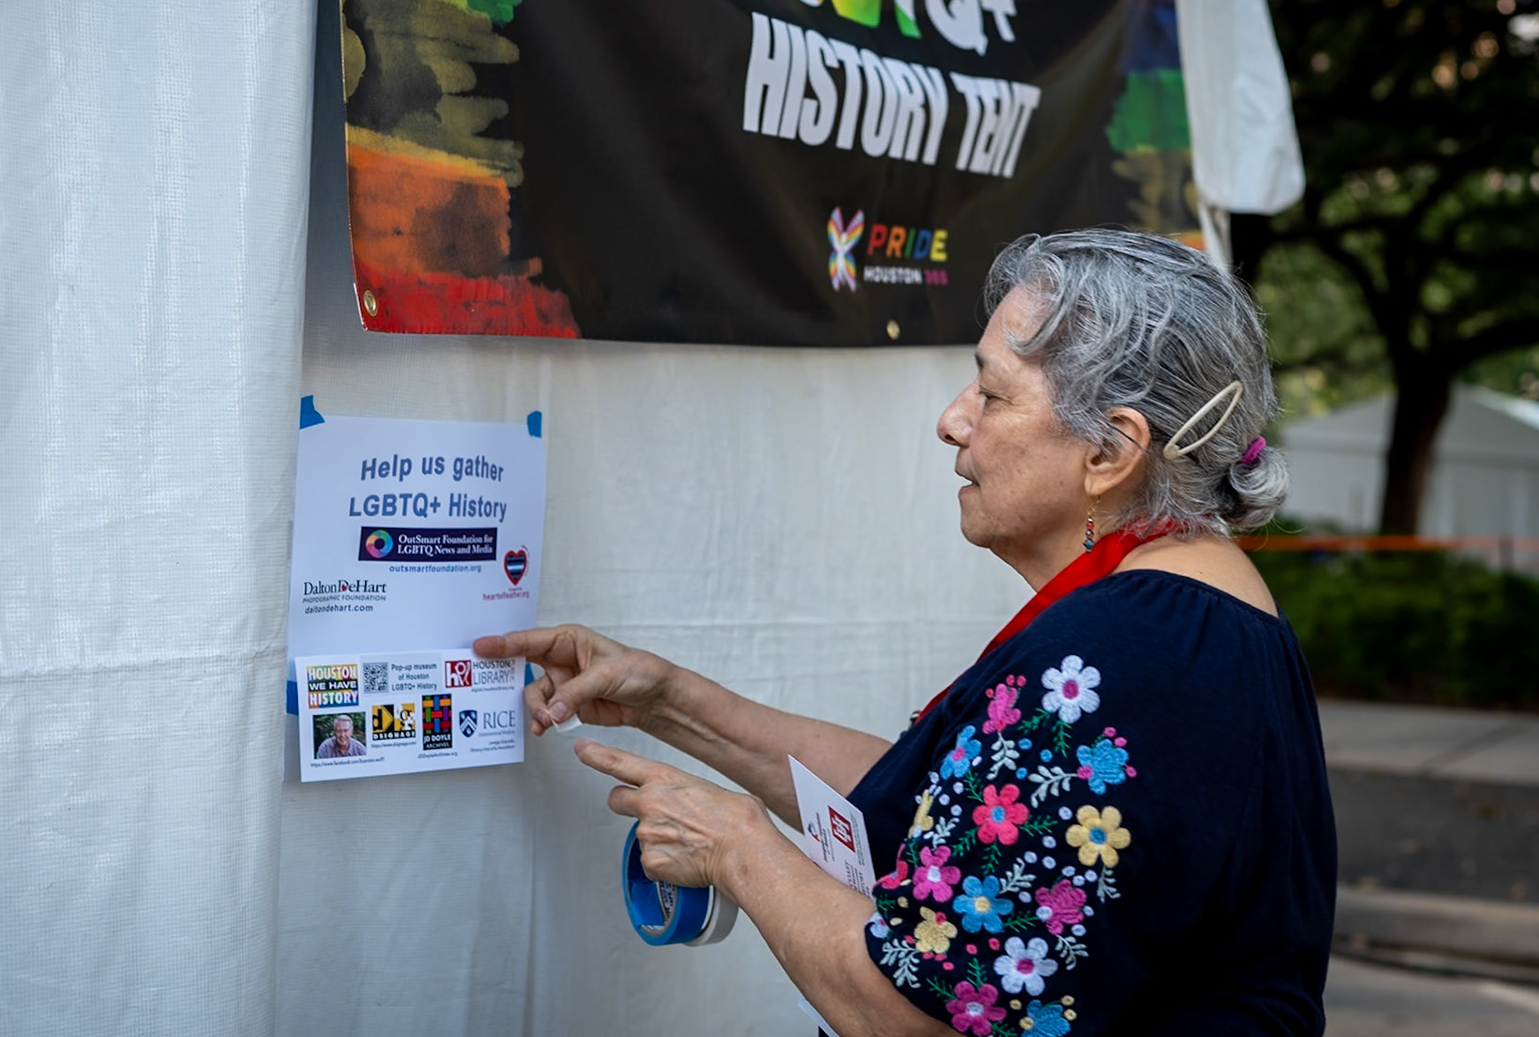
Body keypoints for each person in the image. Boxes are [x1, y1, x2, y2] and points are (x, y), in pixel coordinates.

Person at [476, 230, 1335, 1036]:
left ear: (1111, 451)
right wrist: (670, 702)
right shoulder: (1180, 612)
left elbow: (924, 1013)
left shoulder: (1126, 652)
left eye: (991, 393)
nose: (953, 420)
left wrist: (736, 846)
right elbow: (939, 811)